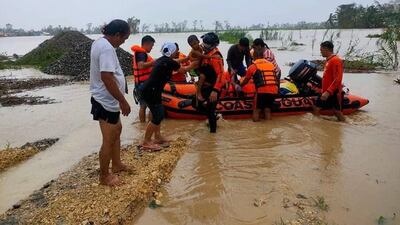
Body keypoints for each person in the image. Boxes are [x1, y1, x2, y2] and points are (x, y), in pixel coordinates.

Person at [90, 19, 131, 186]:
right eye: (123, 39)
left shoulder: (99, 42)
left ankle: (117, 164)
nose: (123, 42)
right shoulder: (107, 48)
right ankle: (104, 177)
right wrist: (123, 101)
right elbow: (106, 77)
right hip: (105, 100)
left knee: (117, 130)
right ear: (116, 34)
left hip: (108, 99)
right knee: (109, 138)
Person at [141, 43, 188, 151]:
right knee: (158, 115)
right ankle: (146, 141)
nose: (177, 52)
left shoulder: (162, 59)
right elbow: (184, 70)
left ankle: (158, 137)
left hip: (151, 90)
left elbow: (175, 62)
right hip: (150, 91)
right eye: (175, 50)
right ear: (172, 51)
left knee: (157, 112)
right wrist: (196, 63)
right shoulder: (169, 62)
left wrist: (188, 58)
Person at [195, 32, 224, 133]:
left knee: (210, 111)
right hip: (205, 86)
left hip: (213, 88)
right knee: (196, 105)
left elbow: (220, 74)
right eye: (204, 42)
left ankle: (212, 137)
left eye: (206, 43)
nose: (203, 45)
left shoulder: (216, 57)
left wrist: (215, 90)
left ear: (212, 45)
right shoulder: (206, 54)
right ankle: (215, 116)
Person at [240, 48, 279, 121]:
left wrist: (240, 86)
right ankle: (268, 126)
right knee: (267, 110)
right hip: (274, 90)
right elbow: (276, 75)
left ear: (253, 56)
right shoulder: (271, 64)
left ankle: (256, 128)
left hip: (262, 90)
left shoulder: (252, 67)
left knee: (256, 110)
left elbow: (246, 80)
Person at [313, 41, 345, 122]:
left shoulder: (336, 60)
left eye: (321, 50)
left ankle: (317, 125)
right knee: (334, 111)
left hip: (333, 92)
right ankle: (323, 124)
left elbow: (338, 78)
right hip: (327, 91)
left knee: (337, 111)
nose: (320, 52)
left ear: (326, 49)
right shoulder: (329, 60)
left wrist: (328, 92)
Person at [131, 35, 156, 122]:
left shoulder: (138, 53)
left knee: (143, 106)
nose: (152, 48)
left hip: (139, 83)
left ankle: (142, 126)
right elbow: (141, 66)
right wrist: (154, 63)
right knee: (153, 106)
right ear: (146, 44)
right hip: (145, 84)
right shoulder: (141, 53)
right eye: (151, 46)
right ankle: (151, 125)